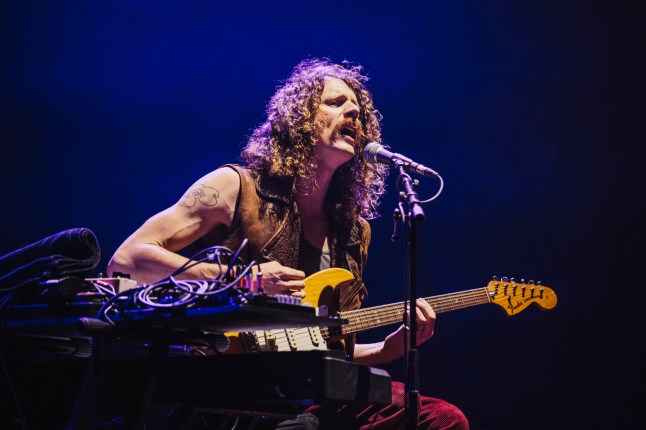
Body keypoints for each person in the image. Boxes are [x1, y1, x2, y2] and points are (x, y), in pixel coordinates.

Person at [108, 58, 469, 429]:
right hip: (233, 384)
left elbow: (320, 348)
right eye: (335, 102)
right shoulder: (236, 187)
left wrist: (386, 349)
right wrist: (245, 282)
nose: (352, 113)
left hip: (312, 396)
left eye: (358, 110)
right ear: (298, 119)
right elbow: (128, 259)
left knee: (442, 419)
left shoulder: (354, 231)